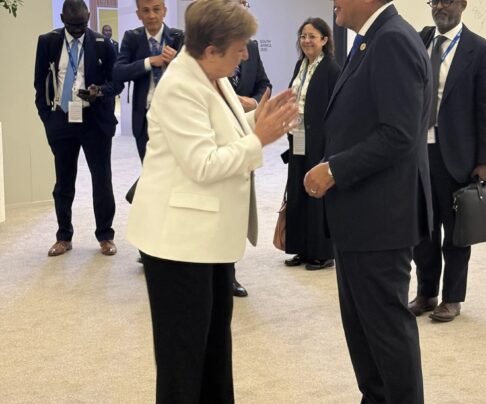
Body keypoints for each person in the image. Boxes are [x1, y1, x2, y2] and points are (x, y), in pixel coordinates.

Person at [126, 0, 298, 402]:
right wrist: (260, 139)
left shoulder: (210, 75)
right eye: (240, 48)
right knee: (184, 357)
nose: (245, 55)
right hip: (178, 242)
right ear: (211, 49)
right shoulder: (180, 87)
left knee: (214, 348)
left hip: (208, 239)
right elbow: (203, 164)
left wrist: (257, 120)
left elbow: (223, 131)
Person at [304, 0, 432, 402]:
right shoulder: (372, 38)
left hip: (381, 219)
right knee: (365, 335)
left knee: (386, 335)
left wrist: (334, 169)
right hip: (361, 215)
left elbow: (399, 134)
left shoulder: (393, 40)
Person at [409, 0, 486, 322]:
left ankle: (452, 298)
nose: (440, 7)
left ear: (463, 4)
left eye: (447, 1)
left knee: (456, 232)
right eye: (434, 1)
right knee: (423, 229)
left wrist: (485, 160)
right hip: (418, 151)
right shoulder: (420, 39)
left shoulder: (482, 51)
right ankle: (426, 292)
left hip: (457, 155)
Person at [34, 0, 121, 257]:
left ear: (89, 16)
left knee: (102, 180)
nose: (77, 30)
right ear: (62, 19)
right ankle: (63, 236)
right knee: (63, 182)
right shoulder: (48, 42)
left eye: (82, 25)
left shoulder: (103, 44)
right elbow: (39, 82)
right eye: (72, 26)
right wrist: (48, 118)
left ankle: (105, 235)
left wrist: (100, 91)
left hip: (95, 121)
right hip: (62, 120)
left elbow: (116, 83)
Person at [283, 18, 340, 270]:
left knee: (317, 192)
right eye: (303, 36)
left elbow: (336, 110)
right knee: (297, 191)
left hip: (319, 141)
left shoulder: (331, 70)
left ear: (324, 40)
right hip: (297, 136)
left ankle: (322, 252)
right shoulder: (301, 65)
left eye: (312, 36)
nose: (306, 41)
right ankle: (302, 248)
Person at [228, 0, 272, 297]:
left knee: (237, 204)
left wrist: (253, 103)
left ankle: (229, 271)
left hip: (243, 131)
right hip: (215, 136)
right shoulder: (204, 46)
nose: (243, 55)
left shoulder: (252, 47)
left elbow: (264, 84)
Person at [113, 0, 184, 162]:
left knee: (175, 168)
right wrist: (149, 62)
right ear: (138, 14)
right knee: (149, 168)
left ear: (164, 11)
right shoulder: (132, 38)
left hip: (175, 115)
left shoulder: (179, 38)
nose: (151, 15)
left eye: (156, 9)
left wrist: (177, 61)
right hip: (145, 116)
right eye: (146, 10)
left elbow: (194, 75)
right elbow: (118, 72)